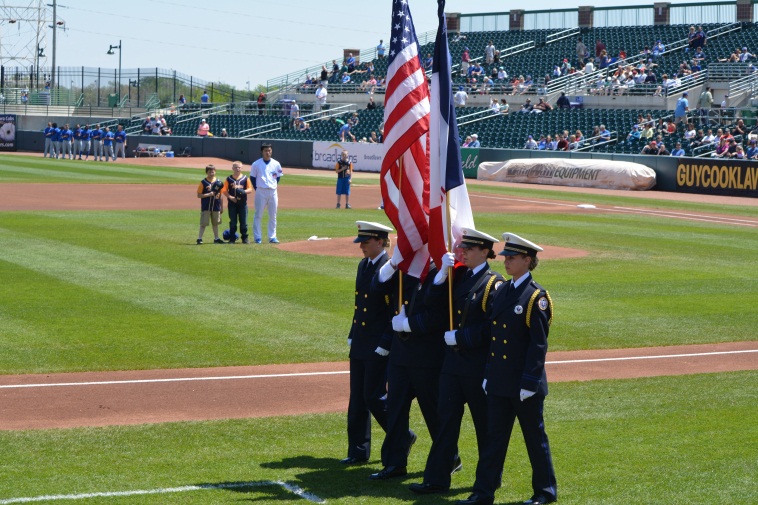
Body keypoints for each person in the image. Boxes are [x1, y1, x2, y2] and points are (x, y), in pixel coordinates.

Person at [456, 233, 556, 505]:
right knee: (493, 441)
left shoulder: (536, 297)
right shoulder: (503, 291)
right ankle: (483, 492)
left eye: (512, 258)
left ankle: (545, 492)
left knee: (535, 440)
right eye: (505, 257)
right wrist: (488, 373)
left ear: (527, 260)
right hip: (500, 381)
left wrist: (529, 382)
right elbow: (493, 339)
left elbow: (538, 345)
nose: (506, 262)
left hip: (524, 385)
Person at [409, 229, 505, 496]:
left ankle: (488, 480)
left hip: (476, 367)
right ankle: (436, 479)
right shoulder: (459, 276)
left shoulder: (493, 284)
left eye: (470, 249)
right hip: (452, 366)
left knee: (484, 427)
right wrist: (440, 277)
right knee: (445, 422)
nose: (463, 252)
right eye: (464, 248)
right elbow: (433, 302)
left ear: (485, 252)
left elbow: (492, 330)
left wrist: (462, 337)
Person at [368, 250, 446, 480]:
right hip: (400, 355)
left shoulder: (438, 274)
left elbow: (439, 316)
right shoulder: (403, 273)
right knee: (395, 410)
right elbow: (377, 288)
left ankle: (449, 457)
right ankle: (395, 462)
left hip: (426, 356)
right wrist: (392, 264)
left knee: (433, 412)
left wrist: (409, 324)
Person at [341, 221, 393, 466]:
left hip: (378, 345)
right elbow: (359, 303)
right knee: (358, 398)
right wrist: (353, 332)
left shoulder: (390, 268)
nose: (361, 246)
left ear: (380, 242)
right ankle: (358, 450)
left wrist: (385, 342)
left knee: (374, 396)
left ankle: (402, 434)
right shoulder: (364, 265)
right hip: (361, 341)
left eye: (366, 241)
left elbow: (392, 310)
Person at [250, 143, 283, 244]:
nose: (268, 153)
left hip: (273, 191)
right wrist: (258, 188)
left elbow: (278, 176)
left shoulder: (276, 163)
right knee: (258, 214)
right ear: (262, 151)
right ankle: (257, 237)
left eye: (269, 150)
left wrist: (273, 185)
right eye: (266, 151)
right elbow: (252, 177)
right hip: (261, 190)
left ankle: (272, 236)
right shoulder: (256, 164)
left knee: (273, 215)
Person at [221, 161, 252, 244]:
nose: (237, 169)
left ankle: (245, 238)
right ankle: (232, 238)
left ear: (242, 168)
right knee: (233, 222)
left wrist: (243, 191)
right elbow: (224, 190)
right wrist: (230, 197)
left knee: (243, 222)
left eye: (239, 167)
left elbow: (250, 189)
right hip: (232, 204)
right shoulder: (229, 179)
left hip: (242, 204)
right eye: (236, 167)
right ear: (232, 168)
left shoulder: (245, 178)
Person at [196, 164, 224, 245]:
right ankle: (199, 238)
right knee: (203, 223)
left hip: (216, 206)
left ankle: (216, 238)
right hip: (206, 206)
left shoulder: (219, 182)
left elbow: (221, 196)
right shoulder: (203, 182)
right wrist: (208, 194)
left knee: (215, 223)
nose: (211, 173)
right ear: (206, 172)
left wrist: (221, 207)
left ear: (215, 172)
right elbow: (199, 195)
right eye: (210, 172)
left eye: (213, 171)